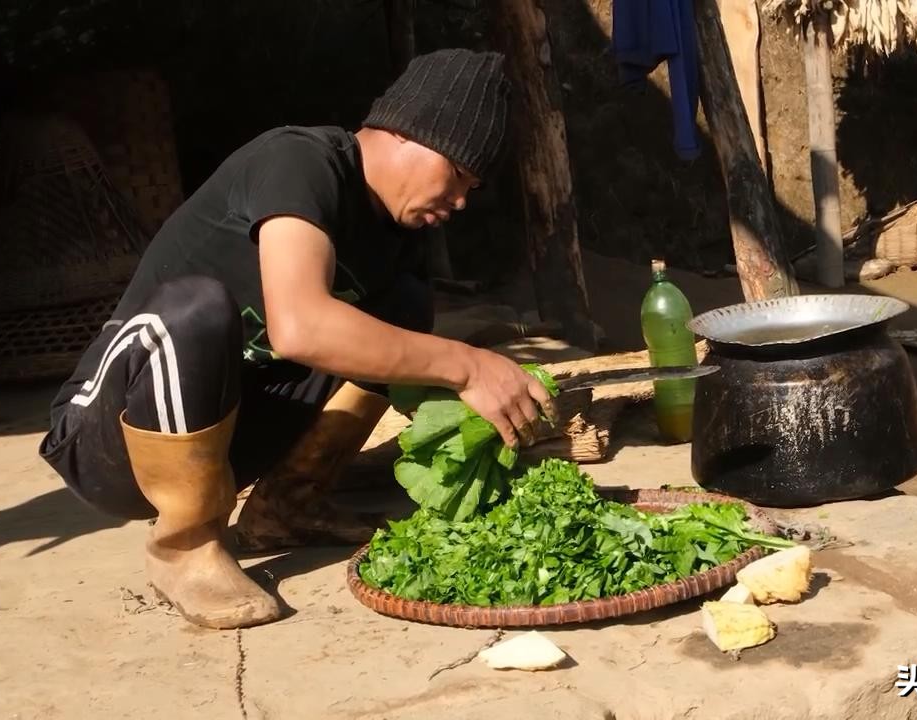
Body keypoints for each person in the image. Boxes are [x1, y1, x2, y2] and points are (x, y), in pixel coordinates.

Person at [37, 48, 556, 630]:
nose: (460, 201)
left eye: (473, 187)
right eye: (459, 174)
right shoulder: (301, 160)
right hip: (107, 442)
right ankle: (185, 546)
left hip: (227, 452)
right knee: (198, 306)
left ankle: (288, 502)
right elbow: (300, 326)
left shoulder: (397, 238)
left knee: (405, 310)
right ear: (410, 132)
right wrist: (467, 366)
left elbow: (387, 353)